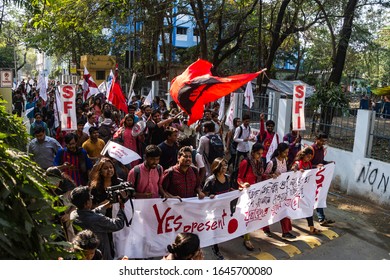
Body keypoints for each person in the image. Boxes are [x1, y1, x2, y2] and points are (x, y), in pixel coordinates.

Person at [69, 186, 126, 260]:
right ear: (87, 203)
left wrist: (108, 204)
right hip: (100, 256)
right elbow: (118, 224)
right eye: (90, 197)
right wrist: (121, 207)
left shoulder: (73, 214)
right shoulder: (96, 219)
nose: (92, 198)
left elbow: (91, 213)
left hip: (83, 255)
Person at [263, 142, 296, 239]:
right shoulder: (272, 163)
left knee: (284, 209)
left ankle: (286, 231)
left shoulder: (285, 161)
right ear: (279, 152)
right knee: (268, 210)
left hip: (281, 191)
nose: (286, 154)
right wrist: (271, 176)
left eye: (287, 152)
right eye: (285, 152)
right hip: (271, 192)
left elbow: (285, 174)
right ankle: (266, 228)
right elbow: (264, 176)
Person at [237, 143, 265, 251]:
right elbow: (239, 178)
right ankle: (247, 239)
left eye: (261, 154)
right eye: (258, 154)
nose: (260, 156)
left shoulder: (260, 162)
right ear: (252, 152)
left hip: (256, 192)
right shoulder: (246, 162)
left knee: (251, 215)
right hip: (246, 192)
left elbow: (261, 175)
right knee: (247, 215)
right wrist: (243, 184)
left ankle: (242, 232)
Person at [203, 157, 232, 260]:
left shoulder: (228, 177)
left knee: (222, 227)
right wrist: (209, 197)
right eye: (222, 165)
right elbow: (204, 195)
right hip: (214, 210)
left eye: (225, 165)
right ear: (216, 167)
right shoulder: (211, 180)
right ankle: (215, 248)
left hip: (225, 209)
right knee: (215, 229)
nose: (224, 167)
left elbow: (230, 190)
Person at [291, 147, 322, 235]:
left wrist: (317, 167)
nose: (308, 159)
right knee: (293, 207)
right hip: (297, 190)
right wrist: (297, 171)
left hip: (305, 190)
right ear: (303, 155)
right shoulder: (298, 163)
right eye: (307, 156)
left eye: (310, 157)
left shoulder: (308, 163)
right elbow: (292, 169)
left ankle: (311, 227)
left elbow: (311, 170)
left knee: (308, 207)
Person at [310, 133, 335, 226]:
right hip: (310, 177)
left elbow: (321, 162)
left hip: (318, 177)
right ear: (317, 139)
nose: (323, 143)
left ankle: (321, 218)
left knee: (319, 196)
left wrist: (328, 163)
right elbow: (305, 164)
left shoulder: (321, 150)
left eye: (325, 141)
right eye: (322, 140)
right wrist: (315, 166)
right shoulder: (311, 149)